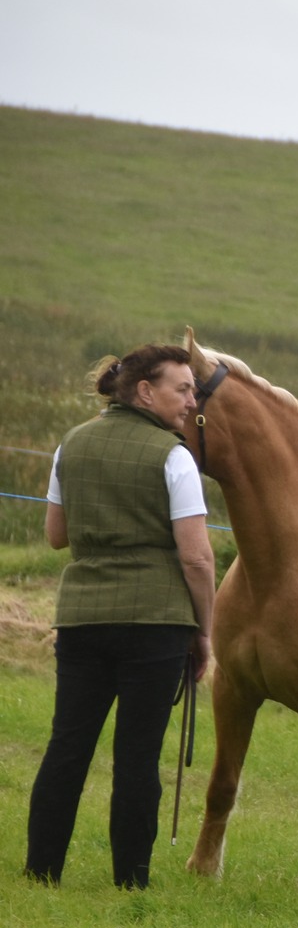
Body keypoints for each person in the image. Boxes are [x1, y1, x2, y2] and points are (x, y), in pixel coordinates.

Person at [26, 345, 216, 890]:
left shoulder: (72, 443)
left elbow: (56, 535)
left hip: (82, 617)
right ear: (145, 392)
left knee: (67, 746)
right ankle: (130, 881)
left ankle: (41, 871)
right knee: (137, 756)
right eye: (183, 389)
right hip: (156, 623)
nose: (192, 400)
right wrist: (205, 632)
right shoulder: (174, 456)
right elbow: (198, 558)